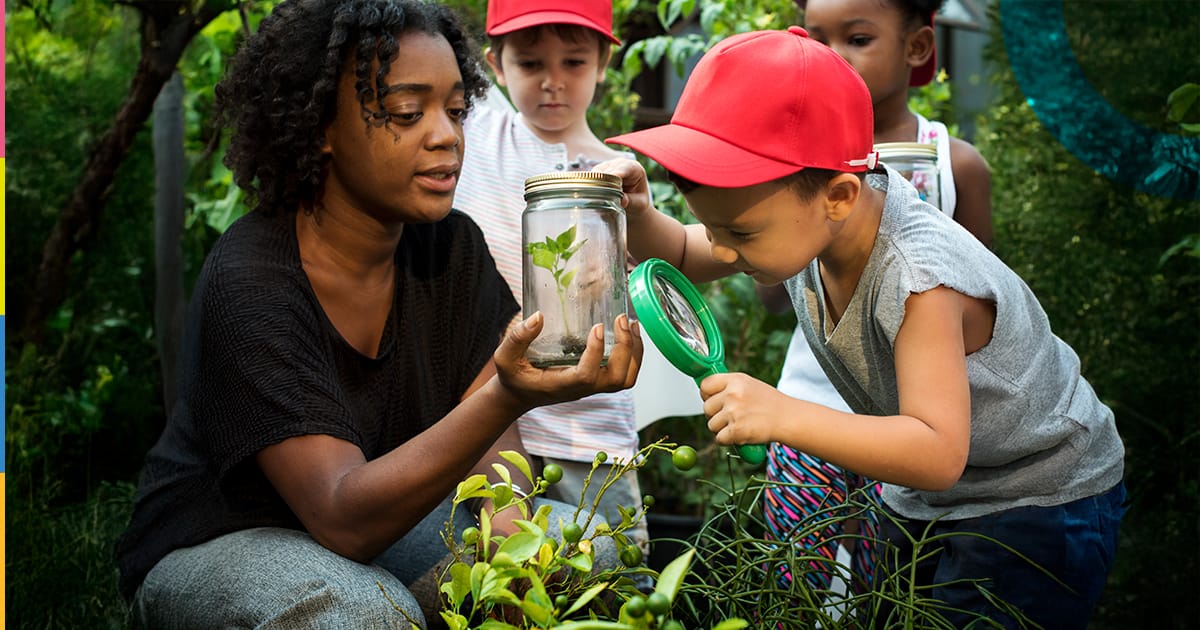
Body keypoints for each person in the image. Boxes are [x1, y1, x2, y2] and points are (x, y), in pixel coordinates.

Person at [114, 1, 641, 627]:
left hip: (380, 524)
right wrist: (509, 394)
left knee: (577, 544)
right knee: (359, 612)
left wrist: (520, 562)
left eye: (455, 109)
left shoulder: (452, 251)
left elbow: (501, 477)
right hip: (218, 543)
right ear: (320, 128)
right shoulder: (251, 280)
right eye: (407, 113)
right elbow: (343, 519)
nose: (446, 135)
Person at [598, 26, 1125, 629]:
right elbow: (690, 253)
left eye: (738, 235)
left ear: (840, 195)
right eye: (713, 229)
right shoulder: (808, 221)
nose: (720, 253)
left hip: (1033, 499)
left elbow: (936, 450)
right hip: (927, 496)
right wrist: (639, 216)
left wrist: (782, 413)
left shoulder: (918, 278)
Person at [754, 0, 995, 605]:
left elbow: (980, 314)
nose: (832, 58)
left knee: (885, 592)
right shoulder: (796, 161)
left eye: (857, 38)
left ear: (916, 47)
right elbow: (772, 298)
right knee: (791, 587)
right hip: (806, 410)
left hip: (908, 426)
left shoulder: (953, 164)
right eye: (816, 40)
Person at [453, 0, 656, 558]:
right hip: (485, 431)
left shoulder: (620, 178)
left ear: (603, 64)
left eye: (573, 62)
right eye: (529, 63)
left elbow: (632, 299)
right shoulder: (474, 140)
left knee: (614, 586)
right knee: (495, 588)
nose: (552, 82)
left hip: (591, 435)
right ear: (496, 66)